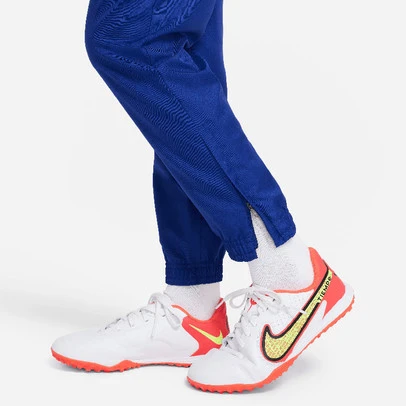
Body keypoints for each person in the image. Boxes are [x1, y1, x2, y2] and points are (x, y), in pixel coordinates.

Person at [51, 0, 354, 393]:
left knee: (131, 37)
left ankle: (290, 275)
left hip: (288, 270)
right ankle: (193, 309)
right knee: (183, 51)